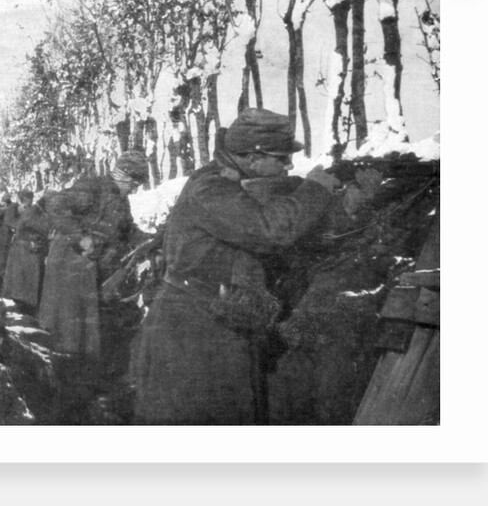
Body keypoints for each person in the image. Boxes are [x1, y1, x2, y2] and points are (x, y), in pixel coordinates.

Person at [128, 107, 341, 425]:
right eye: (282, 158)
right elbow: (270, 230)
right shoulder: (212, 188)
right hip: (191, 330)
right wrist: (315, 189)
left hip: (216, 318)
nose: (289, 165)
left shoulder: (229, 181)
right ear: (254, 158)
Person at [37, 150, 149, 420]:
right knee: (71, 332)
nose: (135, 189)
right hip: (71, 266)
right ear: (123, 174)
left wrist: (149, 240)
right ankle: (68, 392)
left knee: (92, 331)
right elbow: (55, 204)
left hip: (93, 270)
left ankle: (89, 383)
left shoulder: (122, 201)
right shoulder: (93, 186)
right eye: (134, 182)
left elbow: (128, 231)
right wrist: (81, 237)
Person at [1, 189, 50, 316]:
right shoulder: (17, 208)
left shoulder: (33, 210)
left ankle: (25, 306)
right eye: (27, 199)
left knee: (25, 280)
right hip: (22, 248)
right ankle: (20, 307)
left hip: (27, 248)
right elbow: (11, 221)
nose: (29, 202)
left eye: (31, 199)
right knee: (21, 280)